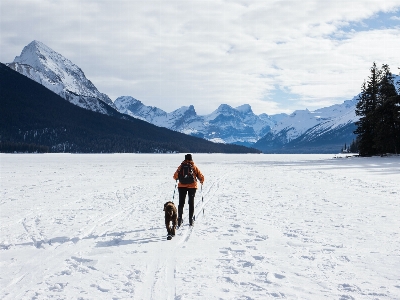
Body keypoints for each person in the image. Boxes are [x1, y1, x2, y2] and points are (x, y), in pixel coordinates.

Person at [173, 153, 204, 227]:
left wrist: (179, 178)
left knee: (181, 203)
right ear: (191, 159)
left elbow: (175, 176)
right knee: (191, 203)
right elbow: (201, 176)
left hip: (181, 187)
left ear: (185, 158)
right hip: (192, 187)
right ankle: (190, 220)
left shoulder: (181, 166)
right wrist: (201, 181)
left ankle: (179, 220)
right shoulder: (193, 166)